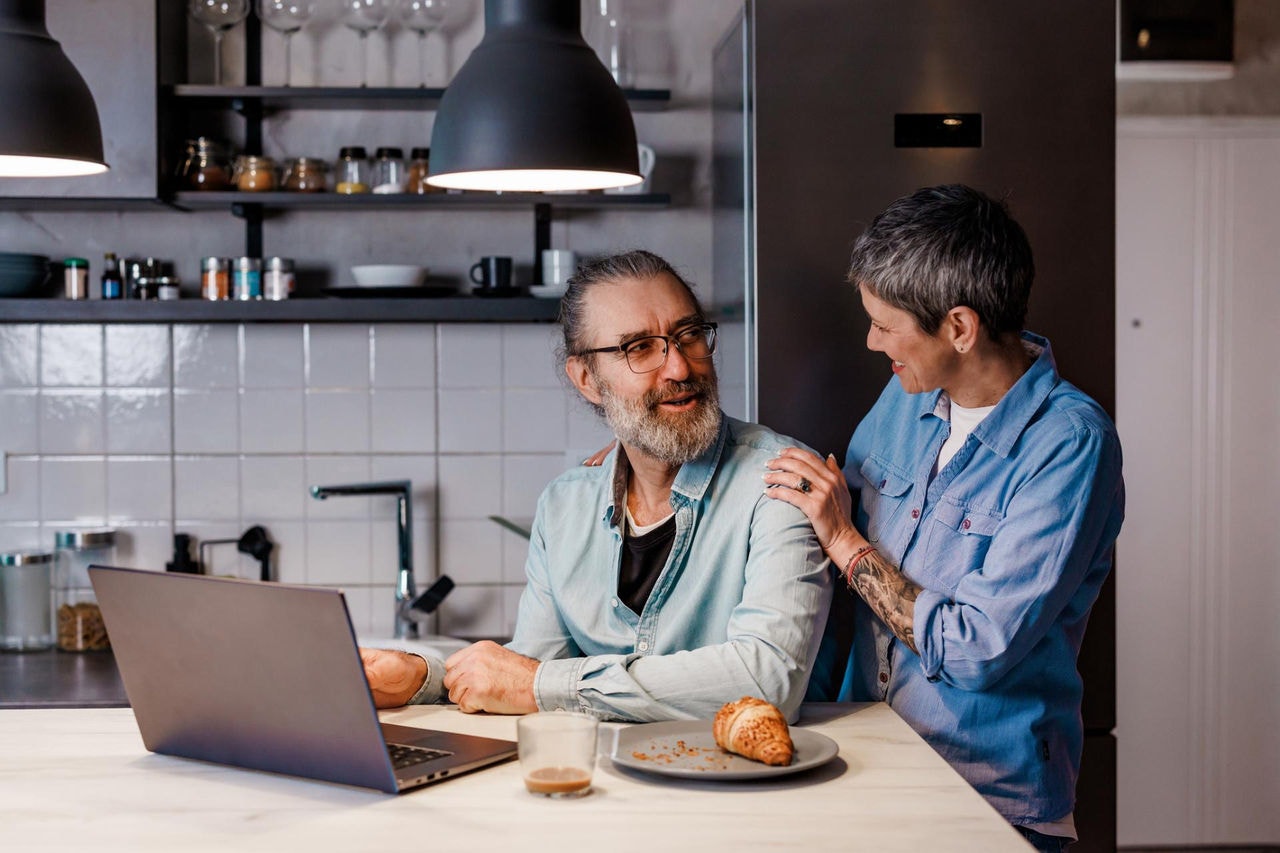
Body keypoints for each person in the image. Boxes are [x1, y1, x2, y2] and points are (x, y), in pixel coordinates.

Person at [763, 185, 1124, 852]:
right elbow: (827, 505)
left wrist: (848, 542)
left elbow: (976, 649)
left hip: (988, 801)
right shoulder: (910, 396)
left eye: (885, 323)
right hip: (865, 764)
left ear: (959, 327)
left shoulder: (1070, 443)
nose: (872, 341)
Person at [363, 249, 832, 722]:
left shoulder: (779, 481)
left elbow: (769, 680)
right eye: (640, 348)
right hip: (601, 785)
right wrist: (424, 677)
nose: (680, 369)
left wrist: (539, 684)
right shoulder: (564, 507)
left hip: (752, 788)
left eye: (688, 335)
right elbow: (525, 676)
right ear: (587, 379)